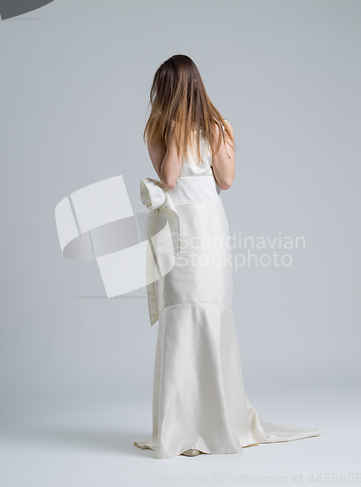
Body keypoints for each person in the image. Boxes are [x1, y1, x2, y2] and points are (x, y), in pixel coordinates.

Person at [134, 55, 321, 459]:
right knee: (180, 312)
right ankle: (180, 424)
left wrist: (208, 135)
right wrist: (178, 134)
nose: (160, 96)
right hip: (177, 228)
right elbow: (168, 179)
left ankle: (218, 420)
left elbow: (227, 180)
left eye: (165, 89)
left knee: (211, 310)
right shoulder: (157, 130)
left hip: (208, 229)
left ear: (180, 89)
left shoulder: (219, 127)